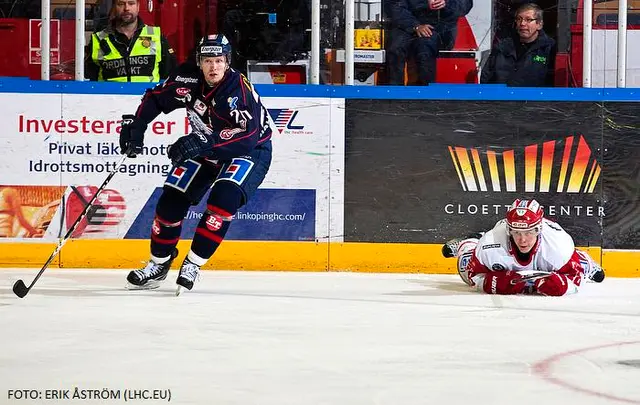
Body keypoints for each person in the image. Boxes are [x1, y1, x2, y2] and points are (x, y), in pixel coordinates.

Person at [119, 34, 273, 295]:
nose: (214, 67)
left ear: (227, 62)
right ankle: (158, 264)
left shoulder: (238, 92)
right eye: (208, 60)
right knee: (169, 203)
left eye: (219, 61)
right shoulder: (187, 78)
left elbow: (246, 138)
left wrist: (204, 142)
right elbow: (156, 98)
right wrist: (138, 125)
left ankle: (192, 264)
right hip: (206, 146)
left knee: (223, 201)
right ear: (199, 62)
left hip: (249, 150)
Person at [441, 199, 605, 296]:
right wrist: (491, 283)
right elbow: (472, 275)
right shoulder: (490, 243)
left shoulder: (558, 246)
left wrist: (564, 287)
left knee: (586, 269)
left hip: (557, 253)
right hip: (487, 244)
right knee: (464, 264)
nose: (523, 240)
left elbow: (575, 279)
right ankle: (467, 244)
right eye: (517, 232)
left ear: (538, 229)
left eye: (528, 232)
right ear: (509, 230)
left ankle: (585, 260)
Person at [85, 0, 177, 82]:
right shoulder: (99, 39)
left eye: (131, 3)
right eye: (121, 4)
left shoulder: (156, 36)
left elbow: (170, 75)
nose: (126, 8)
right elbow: (89, 78)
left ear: (138, 7)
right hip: (110, 99)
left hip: (147, 99)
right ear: (114, 7)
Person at [387, 0, 473, 85]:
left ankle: (425, 92)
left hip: (442, 29)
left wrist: (447, 3)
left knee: (424, 45)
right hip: (409, 25)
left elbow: (465, 5)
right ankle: (394, 91)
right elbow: (395, 6)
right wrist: (415, 25)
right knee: (396, 46)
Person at [480, 3, 556, 87]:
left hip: (535, 98)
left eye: (528, 20)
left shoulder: (549, 48)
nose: (522, 23)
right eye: (519, 19)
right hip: (502, 98)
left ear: (539, 24)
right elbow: (485, 78)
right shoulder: (502, 47)